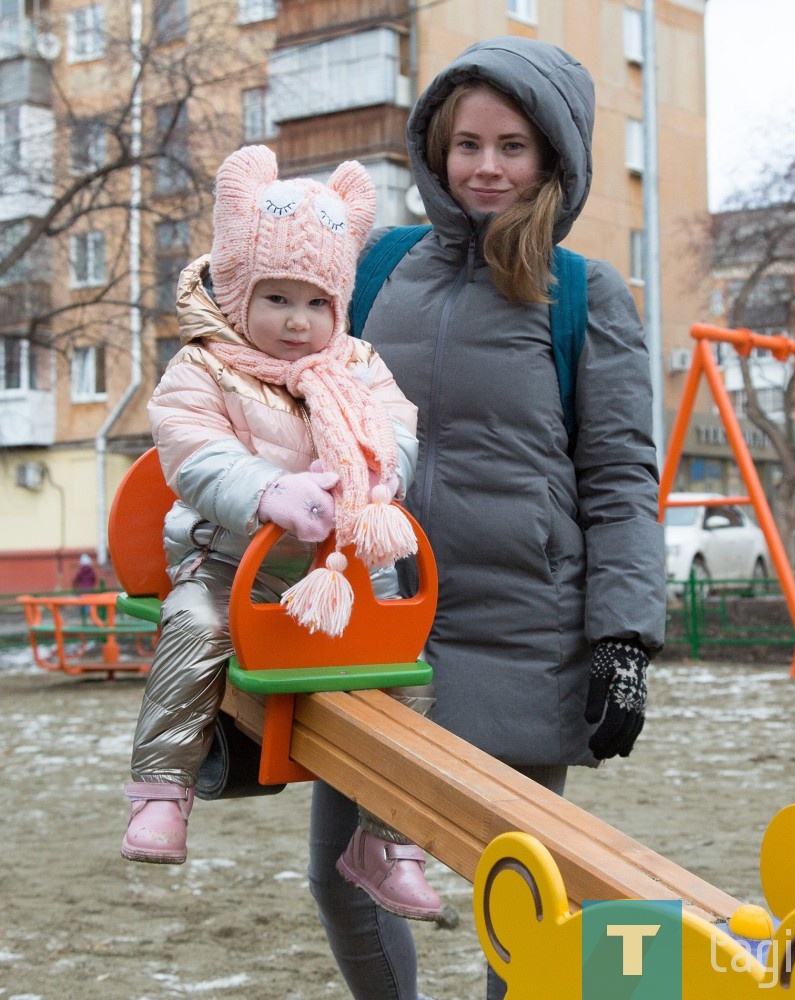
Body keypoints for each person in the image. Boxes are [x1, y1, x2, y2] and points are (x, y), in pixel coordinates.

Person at [306, 36, 667, 1000]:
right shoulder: (379, 268)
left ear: (552, 158)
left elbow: (622, 479)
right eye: (467, 144)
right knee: (344, 882)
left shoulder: (585, 297)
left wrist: (622, 639)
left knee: (527, 907)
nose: (487, 167)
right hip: (380, 630)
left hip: (522, 635)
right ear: (435, 148)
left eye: (512, 146)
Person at [120, 144, 442, 921]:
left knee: (405, 670)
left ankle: (386, 842)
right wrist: (269, 491)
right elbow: (196, 455)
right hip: (232, 562)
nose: (298, 323)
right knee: (194, 626)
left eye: (316, 303)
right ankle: (161, 790)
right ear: (237, 293)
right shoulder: (204, 368)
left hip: (339, 571)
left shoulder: (357, 364)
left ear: (338, 307)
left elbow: (399, 425)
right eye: (277, 299)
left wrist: (385, 471)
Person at [73, 553, 97, 623]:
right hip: (89, 589)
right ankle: (88, 616)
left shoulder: (80, 571)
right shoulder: (91, 571)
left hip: (81, 589)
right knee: (88, 603)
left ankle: (83, 616)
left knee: (82, 602)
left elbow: (77, 579)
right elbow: (94, 579)